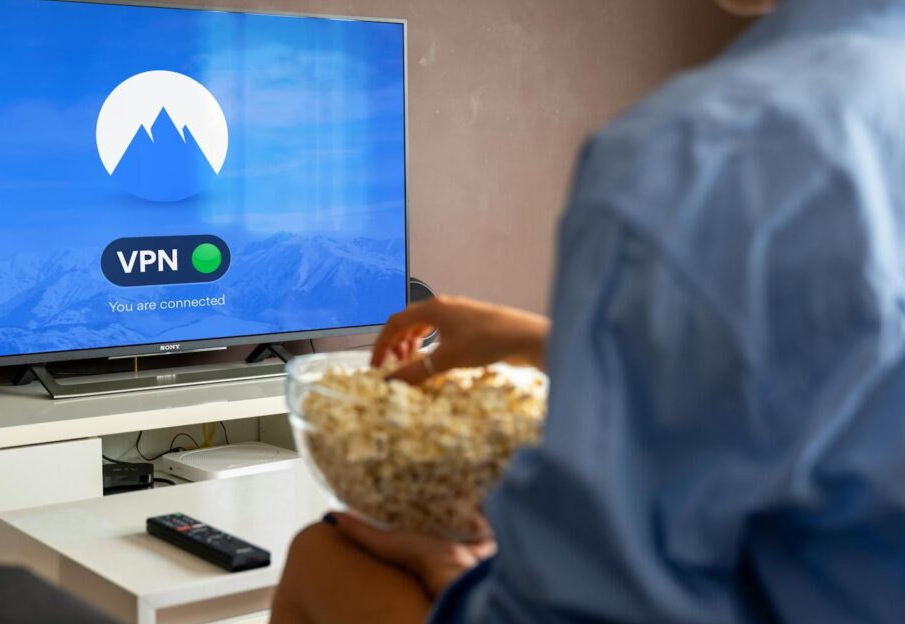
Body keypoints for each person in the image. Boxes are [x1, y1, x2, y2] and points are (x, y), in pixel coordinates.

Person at [270, 0, 905, 621]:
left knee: (316, 557)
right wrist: (540, 341)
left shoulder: (707, 149)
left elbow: (592, 603)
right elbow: (827, 375)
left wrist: (465, 576)